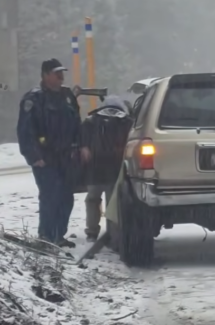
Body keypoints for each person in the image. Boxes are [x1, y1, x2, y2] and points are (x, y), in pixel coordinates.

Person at [16, 59, 90, 248]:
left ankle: (59, 235)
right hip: (45, 157)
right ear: (46, 75)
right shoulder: (34, 99)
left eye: (61, 73)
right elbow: (25, 131)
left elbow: (77, 123)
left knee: (66, 196)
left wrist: (82, 145)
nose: (61, 77)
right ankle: (46, 237)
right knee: (50, 195)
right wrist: (34, 156)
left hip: (67, 156)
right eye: (57, 74)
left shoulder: (67, 96)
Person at [80, 95, 133, 242]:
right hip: (115, 168)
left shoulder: (91, 121)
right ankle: (115, 234)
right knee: (113, 203)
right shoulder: (127, 122)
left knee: (92, 200)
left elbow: (81, 140)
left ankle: (92, 232)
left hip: (94, 168)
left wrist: (84, 149)